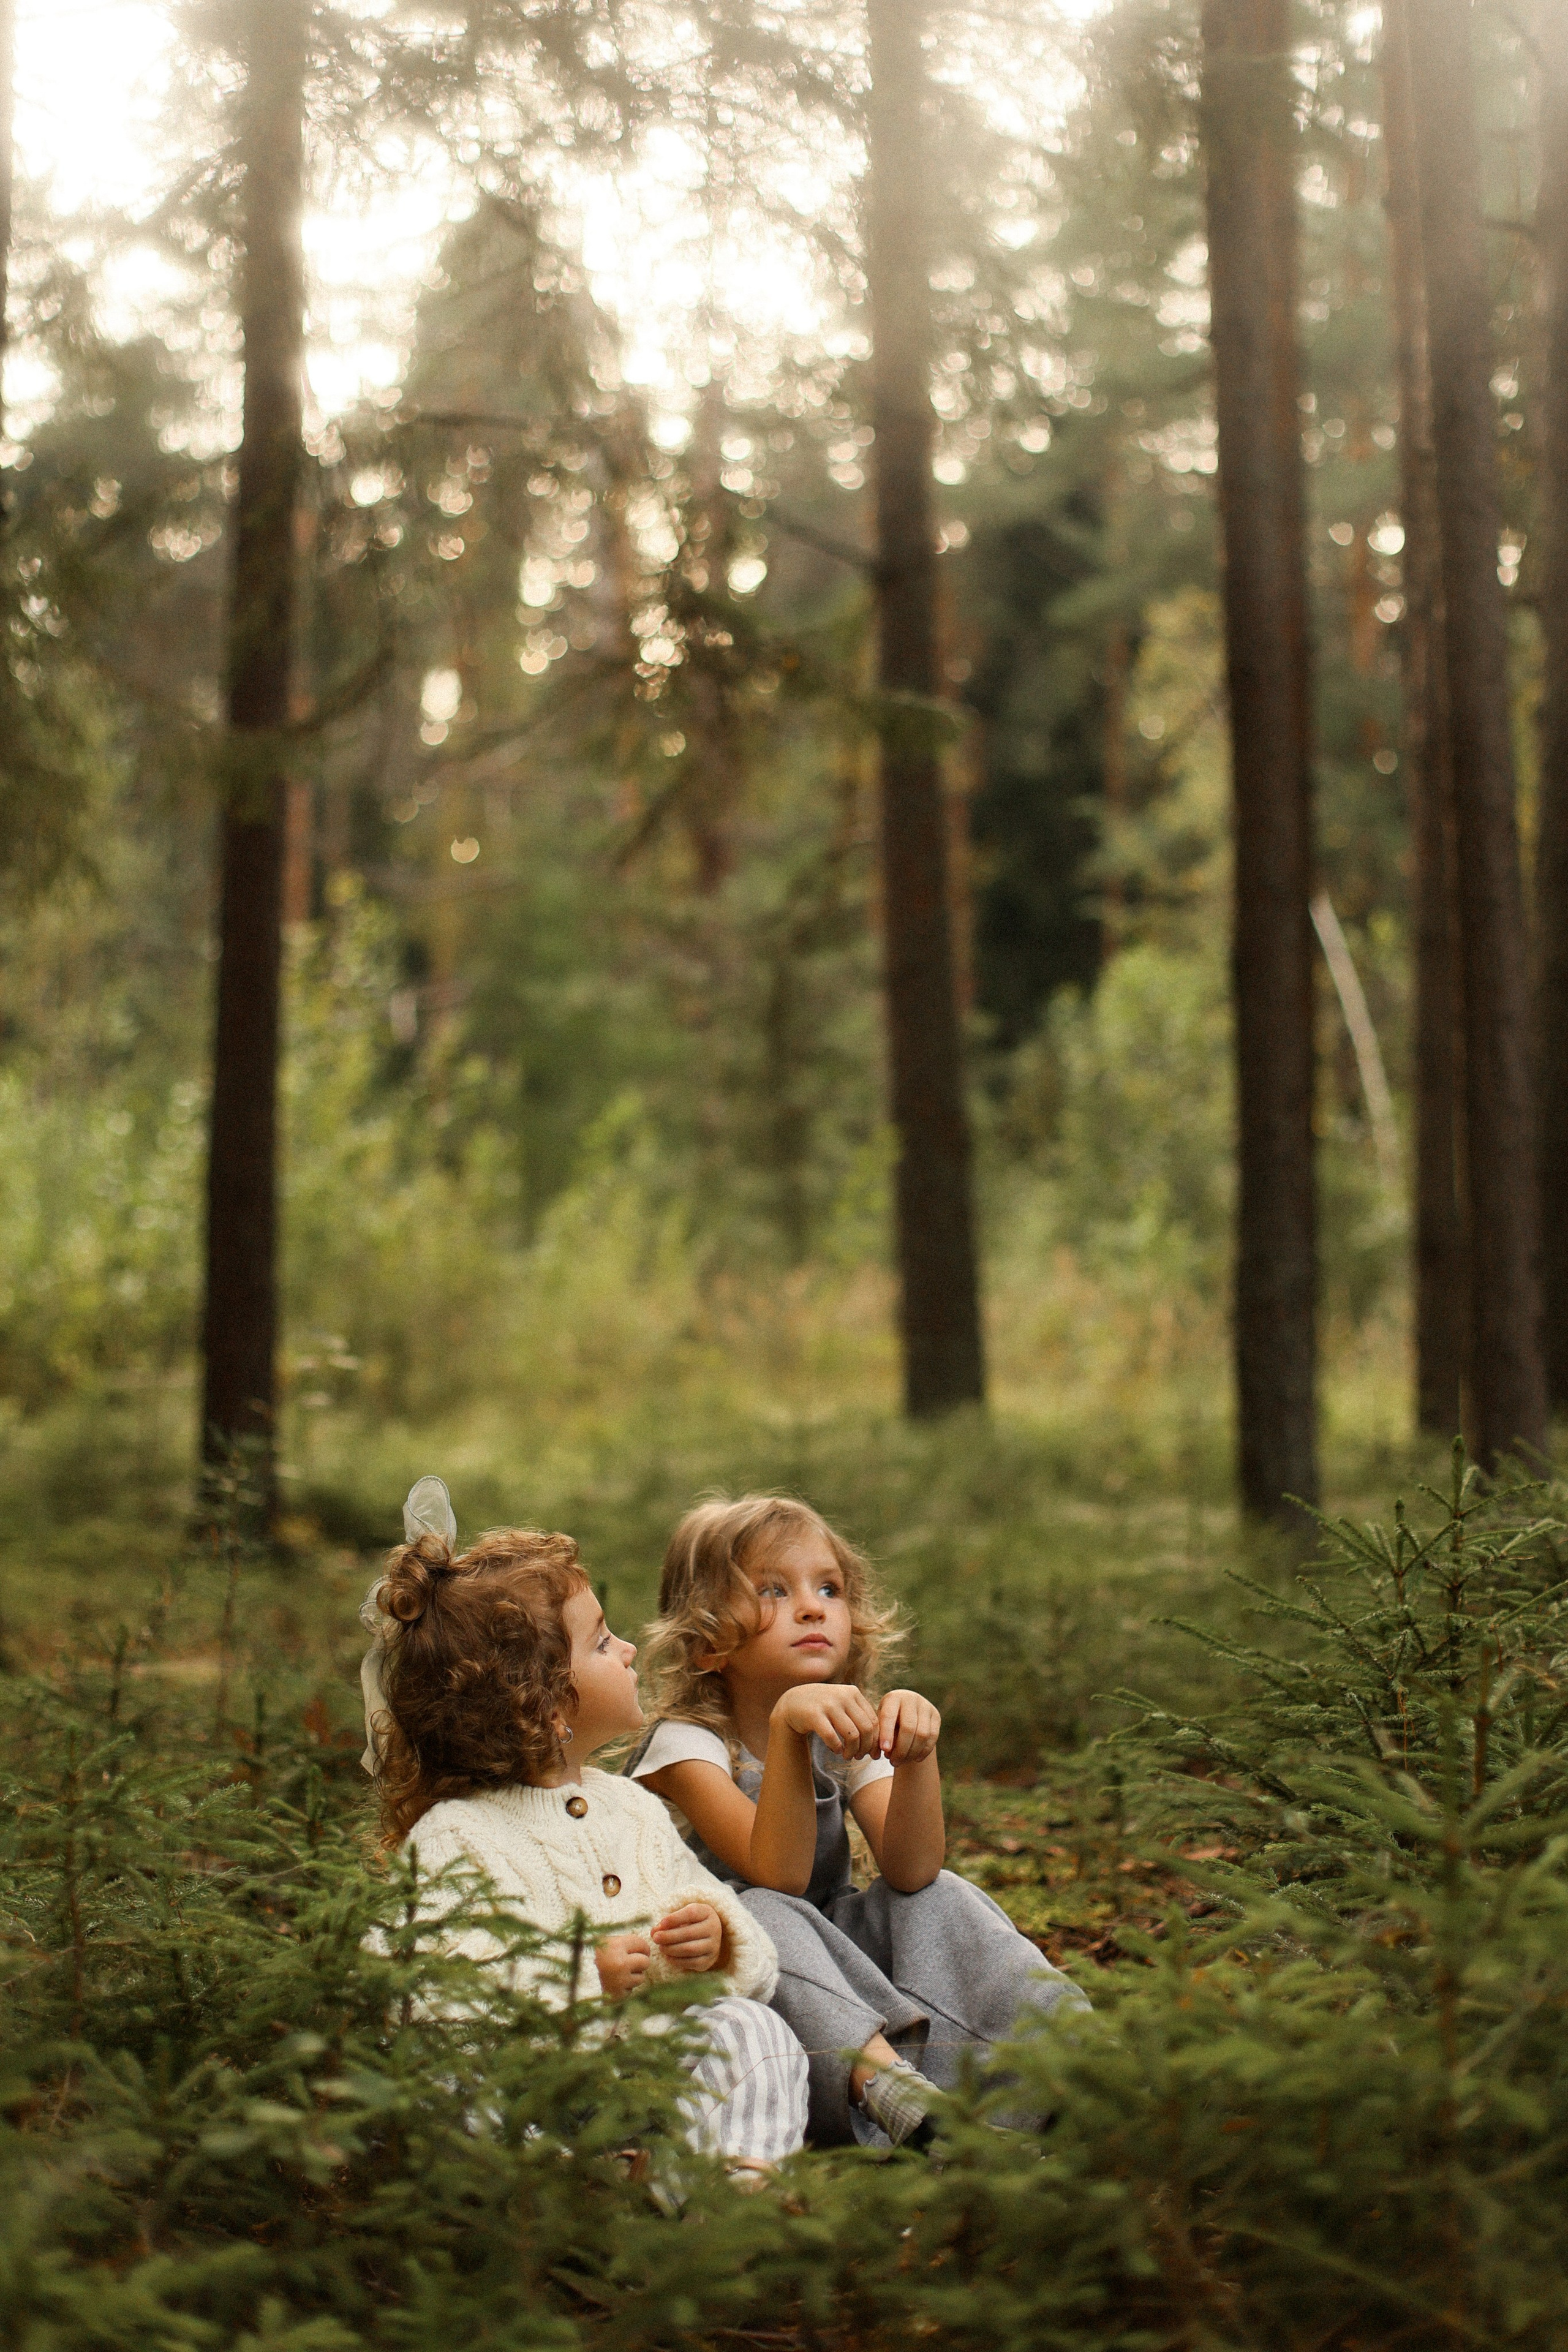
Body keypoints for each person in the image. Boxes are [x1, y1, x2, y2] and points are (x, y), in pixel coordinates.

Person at [359, 1477, 808, 2184]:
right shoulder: (456, 1838)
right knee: (450, 2094)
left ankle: (736, 2180)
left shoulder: (629, 1808)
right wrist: (579, 1980)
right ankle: (575, 2183)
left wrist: (715, 1941)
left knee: (756, 2032)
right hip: (536, 2094)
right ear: (541, 1703)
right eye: (602, 1642)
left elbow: (742, 1956)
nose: (629, 1649)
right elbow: (430, 1999)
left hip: (649, 2076)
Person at [628, 1494, 1090, 2149]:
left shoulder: (845, 1728)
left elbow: (912, 1867)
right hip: (735, 1984)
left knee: (941, 1895)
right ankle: (889, 2092)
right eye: (771, 1591)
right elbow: (776, 1877)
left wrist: (915, 1757)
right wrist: (789, 1732)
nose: (813, 1606)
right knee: (759, 1910)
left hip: (834, 1959)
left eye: (829, 1588)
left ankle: (1065, 2058)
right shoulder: (686, 1744)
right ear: (706, 1643)